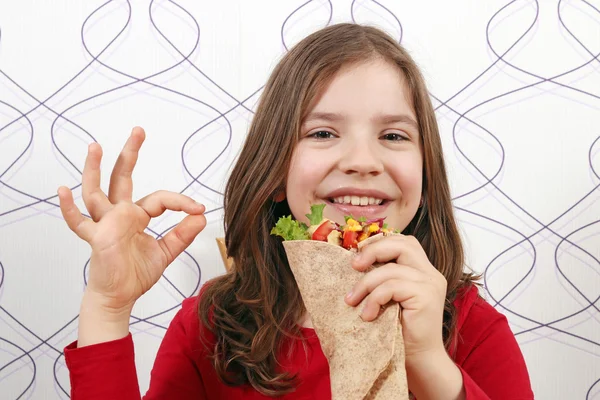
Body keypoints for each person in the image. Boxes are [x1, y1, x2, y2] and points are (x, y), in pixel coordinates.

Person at [58, 23, 534, 399]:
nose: (363, 161)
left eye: (394, 135)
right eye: (323, 133)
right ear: (275, 172)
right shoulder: (211, 327)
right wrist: (108, 307)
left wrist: (429, 360)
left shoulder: (471, 327)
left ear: (426, 176)